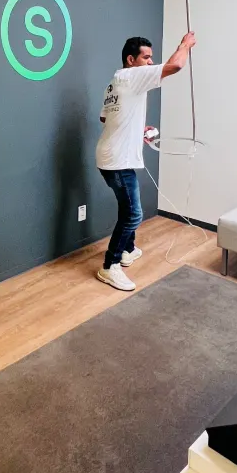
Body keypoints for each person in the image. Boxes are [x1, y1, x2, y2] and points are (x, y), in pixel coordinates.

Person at [95, 32, 196, 291]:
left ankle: (127, 250)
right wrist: (185, 45)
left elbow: (106, 118)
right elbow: (176, 65)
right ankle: (109, 266)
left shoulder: (114, 83)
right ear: (131, 60)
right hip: (117, 160)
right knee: (133, 214)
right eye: (146, 57)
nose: (151, 62)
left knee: (127, 207)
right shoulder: (133, 76)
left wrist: (136, 130)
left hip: (111, 155)